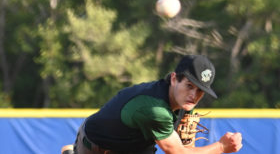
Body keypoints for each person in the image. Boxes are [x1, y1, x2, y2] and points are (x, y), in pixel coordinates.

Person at [68, 55, 243, 154]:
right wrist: (221, 146)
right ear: (174, 79)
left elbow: (185, 148)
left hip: (132, 144)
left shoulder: (186, 102)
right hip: (97, 144)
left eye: (200, 90)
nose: (194, 95)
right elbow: (178, 152)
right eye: (189, 86)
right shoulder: (155, 109)